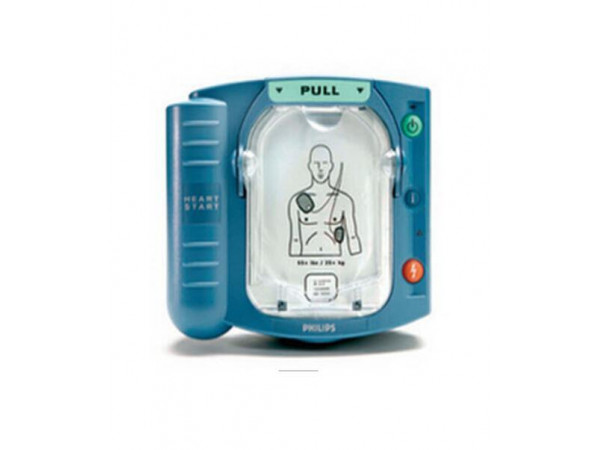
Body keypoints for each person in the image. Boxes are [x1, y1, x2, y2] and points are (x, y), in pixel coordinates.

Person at [288, 144, 362, 257]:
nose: (320, 168)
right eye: (316, 163)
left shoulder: (344, 200)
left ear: (331, 166)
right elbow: (295, 239)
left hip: (335, 259)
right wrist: (293, 262)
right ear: (310, 166)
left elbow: (352, 237)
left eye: (324, 163)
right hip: (307, 257)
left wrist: (356, 261)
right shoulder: (296, 202)